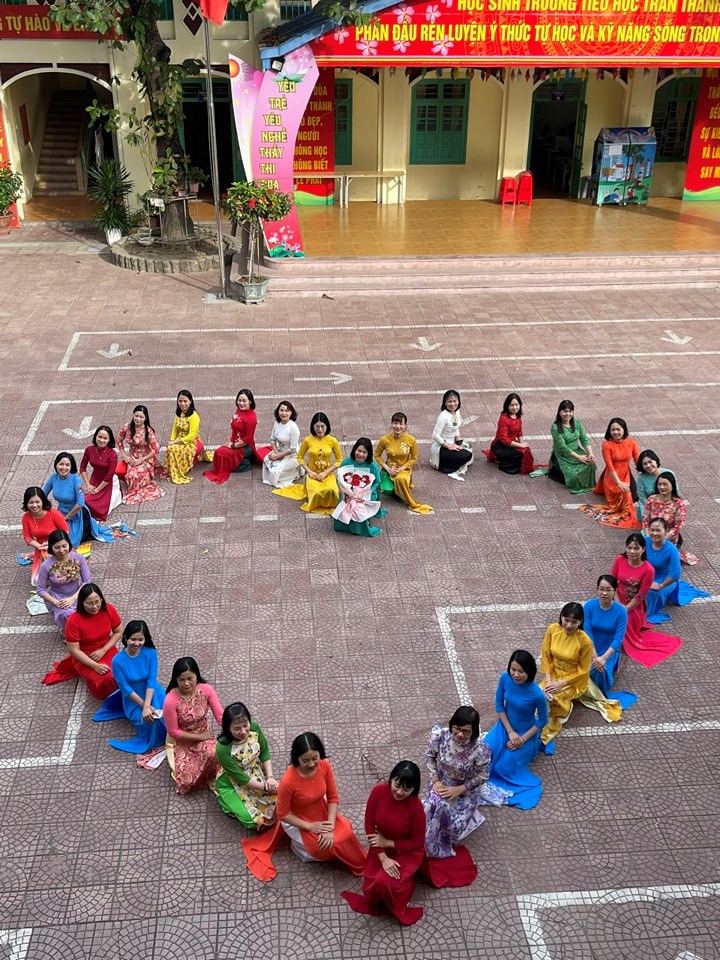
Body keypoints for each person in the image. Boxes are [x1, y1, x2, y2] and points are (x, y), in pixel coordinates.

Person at [242, 732, 366, 882]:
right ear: (297, 758)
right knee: (323, 846)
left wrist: (330, 827)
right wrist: (310, 826)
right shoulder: (288, 781)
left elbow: (333, 798)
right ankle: (299, 847)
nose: (312, 764)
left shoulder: (324, 765)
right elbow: (282, 814)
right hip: (299, 819)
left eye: (315, 758)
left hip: (321, 809)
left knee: (346, 833)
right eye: (305, 760)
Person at [341, 760, 426, 926]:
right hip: (379, 846)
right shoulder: (378, 792)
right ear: (391, 779)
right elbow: (369, 826)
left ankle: (407, 886)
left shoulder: (416, 808)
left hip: (405, 851)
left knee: (383, 882)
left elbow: (417, 844)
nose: (399, 792)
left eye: (406, 789)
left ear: (414, 789)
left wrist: (387, 842)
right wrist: (383, 857)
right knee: (372, 889)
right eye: (397, 785)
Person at [423, 706, 505, 874]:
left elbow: (482, 776)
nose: (460, 734)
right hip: (441, 783)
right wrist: (436, 780)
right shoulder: (440, 736)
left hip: (465, 791)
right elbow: (430, 757)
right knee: (430, 807)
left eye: (466, 731)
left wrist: (459, 790)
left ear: (474, 731)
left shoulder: (481, 750)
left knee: (451, 822)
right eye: (457, 729)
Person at [539, 602, 622, 752]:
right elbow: (545, 656)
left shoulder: (584, 641)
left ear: (580, 622)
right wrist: (549, 680)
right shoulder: (552, 629)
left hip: (573, 679)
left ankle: (565, 709)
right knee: (540, 694)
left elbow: (583, 670)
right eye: (566, 620)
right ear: (561, 617)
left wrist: (561, 684)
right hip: (553, 673)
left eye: (574, 622)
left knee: (556, 697)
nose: (569, 625)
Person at [483, 650, 549, 809]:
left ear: (530, 671)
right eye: (513, 669)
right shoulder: (505, 678)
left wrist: (521, 739)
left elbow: (542, 720)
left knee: (502, 767)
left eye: (521, 671)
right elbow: (499, 705)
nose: (516, 675)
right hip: (505, 726)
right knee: (485, 752)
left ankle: (531, 749)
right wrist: (510, 732)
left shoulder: (537, 694)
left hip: (525, 734)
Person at [93, 620, 167, 753]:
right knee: (152, 722)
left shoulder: (151, 653)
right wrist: (144, 706)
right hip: (133, 701)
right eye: (133, 639)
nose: (136, 643)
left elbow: (151, 681)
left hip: (153, 693)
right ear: (126, 637)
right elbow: (125, 689)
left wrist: (147, 706)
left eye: (140, 639)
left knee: (169, 715)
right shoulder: (117, 661)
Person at [611, 532, 683, 667]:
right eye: (629, 548)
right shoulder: (619, 560)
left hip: (633, 606)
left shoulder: (648, 570)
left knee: (621, 630)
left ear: (643, 549)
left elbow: (641, 595)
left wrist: (625, 609)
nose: (632, 551)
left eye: (636, 548)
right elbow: (613, 583)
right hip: (616, 600)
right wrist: (618, 604)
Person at [42, 583, 122, 699]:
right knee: (107, 678)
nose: (94, 606)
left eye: (97, 602)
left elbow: (118, 631)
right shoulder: (73, 621)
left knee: (122, 672)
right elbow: (74, 650)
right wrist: (95, 666)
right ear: (81, 603)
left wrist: (103, 650)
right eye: (89, 603)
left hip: (106, 649)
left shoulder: (108, 609)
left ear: (101, 599)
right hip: (84, 656)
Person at [162, 657, 224, 795]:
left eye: (190, 678)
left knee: (214, 753)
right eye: (182, 680)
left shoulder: (206, 690)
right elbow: (173, 732)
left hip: (203, 733)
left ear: (197, 675)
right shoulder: (170, 700)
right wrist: (199, 737)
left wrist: (233, 728)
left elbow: (220, 716)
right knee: (187, 781)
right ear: (176, 680)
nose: (186, 683)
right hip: (184, 739)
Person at [215, 702, 278, 827]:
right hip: (232, 782)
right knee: (252, 821)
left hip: (255, 772)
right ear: (228, 728)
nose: (243, 731)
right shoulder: (222, 748)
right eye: (237, 729)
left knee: (278, 801)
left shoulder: (254, 727)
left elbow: (264, 752)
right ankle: (224, 800)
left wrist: (270, 777)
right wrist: (266, 788)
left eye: (245, 725)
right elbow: (240, 777)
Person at [583, 576, 637, 707]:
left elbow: (618, 639)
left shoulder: (621, 611)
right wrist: (595, 657)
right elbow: (587, 634)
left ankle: (595, 693)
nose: (604, 593)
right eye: (601, 589)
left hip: (609, 650)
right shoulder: (589, 606)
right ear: (597, 590)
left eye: (608, 590)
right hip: (590, 648)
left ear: (615, 591)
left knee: (599, 671)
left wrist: (603, 658)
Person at [274, 412, 342, 514]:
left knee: (332, 490)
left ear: (327, 426)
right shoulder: (308, 440)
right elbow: (299, 457)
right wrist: (309, 472)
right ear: (313, 427)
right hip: (312, 474)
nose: (320, 429)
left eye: (322, 426)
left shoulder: (333, 441)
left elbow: (339, 459)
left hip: (327, 474)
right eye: (317, 426)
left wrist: (325, 473)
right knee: (316, 492)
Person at [43, 452, 115, 548]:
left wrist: (67, 517)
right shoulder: (53, 478)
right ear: (56, 465)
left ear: (71, 467)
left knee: (67, 542)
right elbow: (42, 494)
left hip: (77, 515)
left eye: (67, 465)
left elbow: (80, 503)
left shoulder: (76, 480)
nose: (64, 468)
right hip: (60, 513)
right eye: (61, 464)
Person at [644, 518, 708, 624]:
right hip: (648, 575)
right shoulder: (646, 541)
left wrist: (660, 586)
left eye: (658, 530)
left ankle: (648, 612)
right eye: (652, 530)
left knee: (651, 593)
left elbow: (675, 573)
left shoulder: (671, 549)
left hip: (665, 579)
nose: (654, 533)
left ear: (665, 531)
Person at [579, 417, 640, 528]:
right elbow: (610, 466)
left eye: (618, 429)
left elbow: (638, 462)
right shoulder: (607, 445)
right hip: (612, 478)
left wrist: (642, 478)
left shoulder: (632, 443)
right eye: (613, 430)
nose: (615, 432)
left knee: (631, 495)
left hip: (626, 474)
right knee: (625, 495)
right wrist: (619, 483)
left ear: (624, 430)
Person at [203, 388, 268, 484]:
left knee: (220, 453)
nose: (241, 403)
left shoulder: (251, 418)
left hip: (244, 447)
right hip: (234, 443)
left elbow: (248, 439)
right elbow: (232, 427)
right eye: (239, 400)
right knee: (219, 452)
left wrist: (233, 446)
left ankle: (245, 464)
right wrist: (228, 442)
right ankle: (238, 463)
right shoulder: (238, 411)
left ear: (250, 401)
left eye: (244, 401)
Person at [374, 413, 433, 514]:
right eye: (395, 423)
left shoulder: (411, 440)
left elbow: (414, 457)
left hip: (403, 469)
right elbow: (377, 455)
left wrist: (402, 468)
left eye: (401, 424)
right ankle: (395, 490)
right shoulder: (384, 440)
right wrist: (387, 468)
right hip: (389, 469)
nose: (398, 426)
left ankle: (403, 494)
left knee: (400, 479)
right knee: (387, 490)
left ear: (405, 425)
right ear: (391, 424)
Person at [36, 530, 91, 628]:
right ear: (51, 548)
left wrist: (73, 598)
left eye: (64, 546)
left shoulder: (79, 558)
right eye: (57, 547)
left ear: (69, 544)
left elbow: (87, 581)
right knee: (68, 614)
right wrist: (56, 602)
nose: (61, 550)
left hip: (78, 594)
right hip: (57, 598)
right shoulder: (46, 565)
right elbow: (40, 589)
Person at [332, 437, 385, 537]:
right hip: (347, 492)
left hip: (366, 493)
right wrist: (344, 492)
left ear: (368, 454)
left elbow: (377, 482)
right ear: (354, 450)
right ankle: (343, 526)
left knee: (359, 507)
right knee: (345, 504)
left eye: (364, 452)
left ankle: (361, 527)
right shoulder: (346, 462)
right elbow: (338, 479)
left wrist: (368, 491)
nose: (360, 454)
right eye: (359, 451)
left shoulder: (372, 465)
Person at [642, 472, 696, 564]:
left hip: (668, 538)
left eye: (665, 484)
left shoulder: (679, 504)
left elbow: (676, 527)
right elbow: (645, 520)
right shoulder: (651, 500)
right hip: (651, 534)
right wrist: (648, 538)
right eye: (659, 484)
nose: (662, 487)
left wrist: (661, 540)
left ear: (672, 485)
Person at [116, 405, 165, 504]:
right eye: (136, 416)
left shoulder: (148, 431)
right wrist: (124, 455)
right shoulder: (127, 427)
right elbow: (118, 440)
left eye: (141, 417)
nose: (138, 419)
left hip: (145, 459)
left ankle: (144, 480)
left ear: (145, 418)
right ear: (133, 415)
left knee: (134, 475)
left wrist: (142, 460)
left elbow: (155, 449)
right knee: (123, 473)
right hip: (132, 458)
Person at [546, 400, 596, 494]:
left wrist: (590, 453)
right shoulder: (555, 427)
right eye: (565, 411)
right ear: (559, 412)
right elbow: (562, 447)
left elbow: (584, 438)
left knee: (590, 463)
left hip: (576, 450)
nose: (568, 414)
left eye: (570, 411)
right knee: (574, 474)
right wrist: (578, 457)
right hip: (563, 455)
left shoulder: (577, 422)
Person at [21, 486, 69, 584]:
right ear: (26, 503)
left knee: (64, 577)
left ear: (43, 501)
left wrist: (51, 545)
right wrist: (41, 547)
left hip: (58, 546)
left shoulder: (53, 513)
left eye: (37, 502)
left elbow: (66, 530)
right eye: (31, 502)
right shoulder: (26, 517)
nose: (34, 505)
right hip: (40, 548)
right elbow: (27, 538)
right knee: (38, 580)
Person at [161, 390, 206, 484]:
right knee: (170, 447)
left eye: (185, 401)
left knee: (173, 449)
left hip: (192, 442)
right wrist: (172, 440)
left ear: (190, 401)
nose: (182, 404)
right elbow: (175, 429)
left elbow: (191, 436)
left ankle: (179, 471)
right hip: (179, 440)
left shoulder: (194, 416)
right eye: (180, 401)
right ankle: (173, 470)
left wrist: (175, 442)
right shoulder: (179, 413)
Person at [483, 393, 534, 475]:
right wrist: (520, 446)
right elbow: (504, 440)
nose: (515, 408)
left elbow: (519, 432)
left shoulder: (517, 416)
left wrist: (522, 445)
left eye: (516, 405)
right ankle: (505, 466)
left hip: (511, 443)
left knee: (526, 451)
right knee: (519, 453)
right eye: (512, 405)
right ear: (507, 406)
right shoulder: (503, 419)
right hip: (500, 446)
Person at [430, 389, 473, 481]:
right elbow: (435, 435)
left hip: (452, 442)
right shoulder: (443, 416)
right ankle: (443, 465)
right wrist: (449, 446)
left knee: (469, 449)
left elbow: (456, 427)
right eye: (450, 401)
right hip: (441, 446)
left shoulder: (457, 412)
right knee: (466, 455)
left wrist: (458, 441)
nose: (453, 404)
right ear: (445, 403)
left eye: (454, 401)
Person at [80, 425, 121, 521]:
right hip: (94, 478)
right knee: (81, 500)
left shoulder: (112, 454)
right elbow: (82, 468)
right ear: (95, 437)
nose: (102, 440)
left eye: (105, 438)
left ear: (109, 440)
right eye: (100, 437)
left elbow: (109, 475)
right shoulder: (89, 450)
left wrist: (98, 489)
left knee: (90, 502)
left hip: (106, 482)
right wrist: (88, 485)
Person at [262, 400, 301, 488]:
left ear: (291, 413)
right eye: (281, 410)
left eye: (287, 411)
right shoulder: (277, 423)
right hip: (279, 451)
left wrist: (278, 456)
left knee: (275, 472)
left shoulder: (293, 428)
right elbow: (272, 439)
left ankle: (295, 472)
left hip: (292, 456)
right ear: (278, 411)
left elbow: (293, 449)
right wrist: (276, 453)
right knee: (266, 462)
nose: (284, 413)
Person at [635, 449, 680, 523]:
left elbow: (676, 492)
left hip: (668, 505)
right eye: (645, 464)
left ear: (656, 461)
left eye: (650, 462)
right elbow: (642, 497)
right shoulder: (641, 477)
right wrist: (655, 508)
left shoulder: (668, 473)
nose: (648, 465)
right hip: (649, 506)